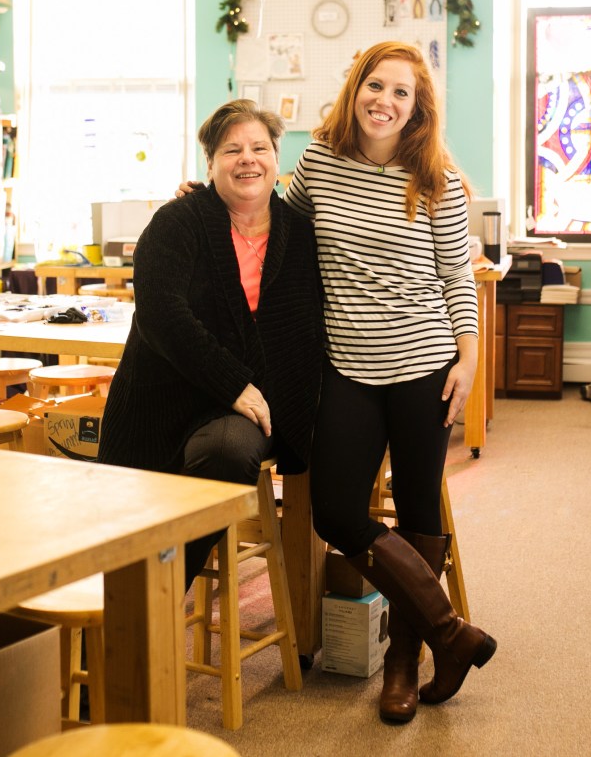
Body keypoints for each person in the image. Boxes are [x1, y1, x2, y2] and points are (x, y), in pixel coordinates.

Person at [178, 41, 495, 723]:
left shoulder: (437, 178)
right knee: (336, 513)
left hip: (425, 366)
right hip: (347, 365)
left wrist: (467, 358)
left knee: (417, 515)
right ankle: (451, 631)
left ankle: (405, 665)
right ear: (355, 90)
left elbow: (455, 279)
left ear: (417, 108)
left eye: (400, 93)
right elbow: (273, 223)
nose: (384, 101)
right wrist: (204, 200)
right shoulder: (321, 162)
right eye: (374, 86)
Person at [97, 99, 323, 592]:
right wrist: (234, 383)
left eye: (260, 147)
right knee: (124, 512)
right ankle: (136, 591)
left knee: (228, 453)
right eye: (232, 149)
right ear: (210, 163)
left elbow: (304, 331)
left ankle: (160, 587)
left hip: (237, 416)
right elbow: (162, 314)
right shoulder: (179, 221)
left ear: (277, 158)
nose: (248, 159)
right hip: (161, 401)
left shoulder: (299, 235)